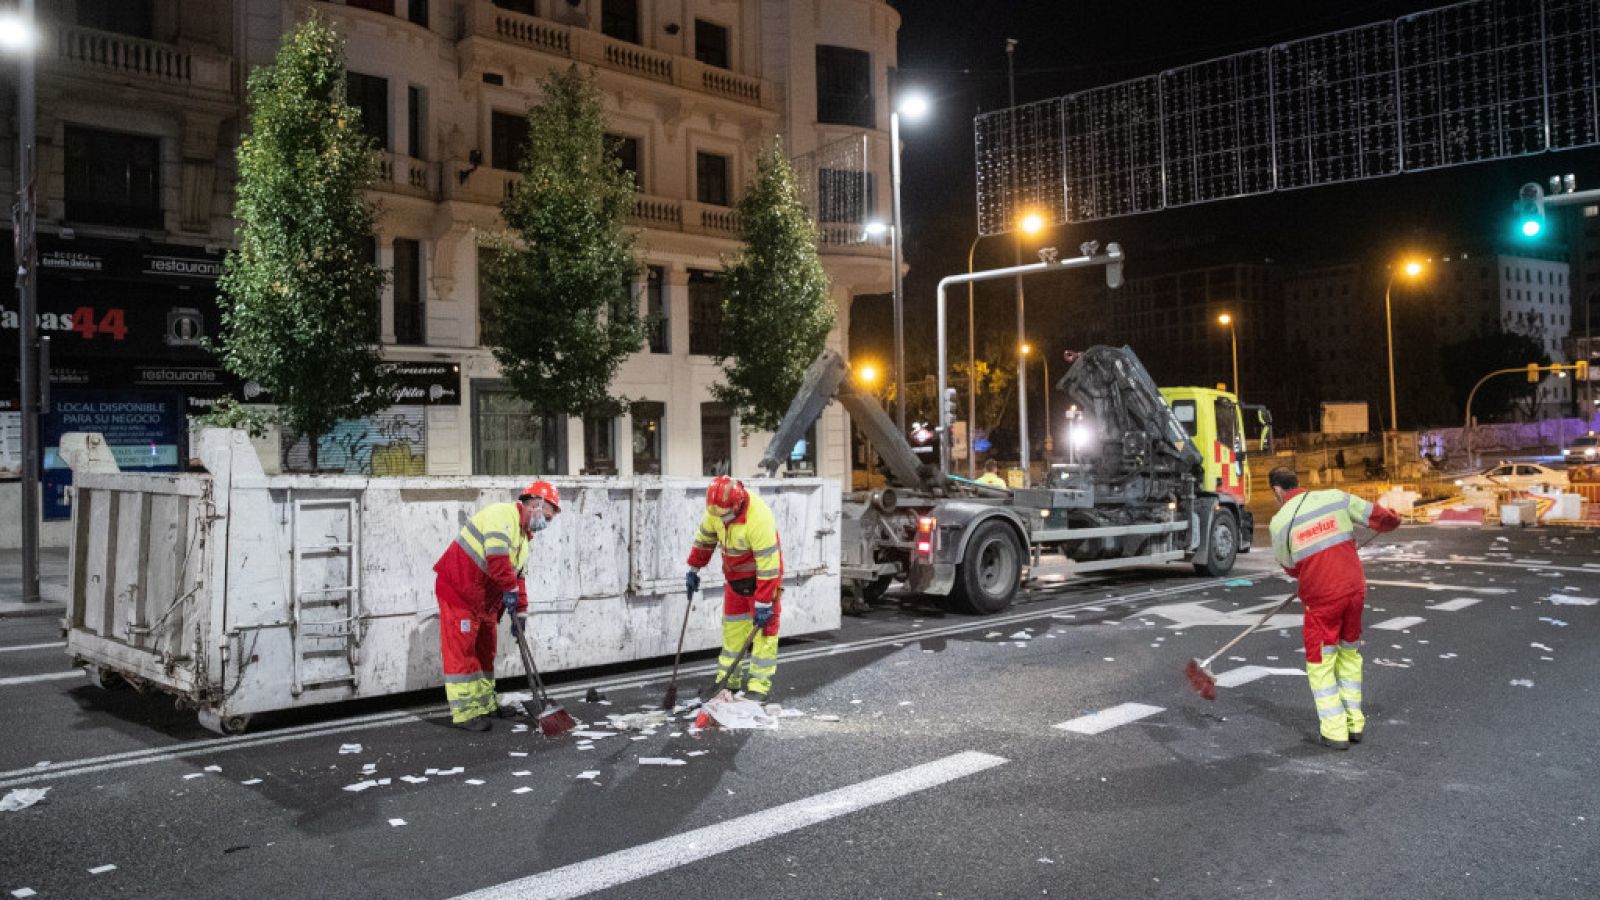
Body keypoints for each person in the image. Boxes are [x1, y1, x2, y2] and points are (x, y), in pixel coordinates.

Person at [1267, 467, 1399, 750]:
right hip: (1354, 589)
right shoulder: (1334, 498)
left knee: (1321, 663)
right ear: (1297, 483)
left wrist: (1311, 566)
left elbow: (1290, 568)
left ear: (1277, 491)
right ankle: (1354, 723)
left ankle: (1335, 731)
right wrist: (1392, 521)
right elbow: (1377, 517)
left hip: (1323, 598)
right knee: (1349, 654)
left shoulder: (1279, 523)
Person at [433, 481, 561, 731]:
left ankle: (485, 704)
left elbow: (518, 576)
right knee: (463, 652)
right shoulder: (502, 516)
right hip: (460, 592)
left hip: (483, 601)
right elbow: (497, 559)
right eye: (546, 517)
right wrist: (509, 593)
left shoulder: (524, 539)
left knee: (485, 652)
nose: (546, 524)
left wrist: (521, 611)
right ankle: (466, 713)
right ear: (535, 504)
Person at [685, 476, 783, 703]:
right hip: (735, 582)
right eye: (716, 514)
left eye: (724, 514)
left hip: (762, 581)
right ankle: (728, 681)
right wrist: (693, 568)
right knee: (732, 633)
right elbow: (705, 539)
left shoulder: (759, 518)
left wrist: (764, 602)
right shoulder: (716, 510)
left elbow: (769, 567)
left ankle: (758, 686)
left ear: (737, 504)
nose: (720, 518)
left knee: (764, 634)